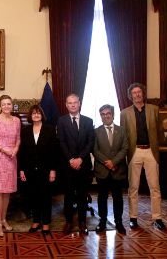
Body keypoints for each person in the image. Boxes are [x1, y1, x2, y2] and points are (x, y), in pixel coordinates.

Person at [120, 83, 166, 230]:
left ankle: (157, 218)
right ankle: (133, 218)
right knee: (133, 187)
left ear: (143, 94)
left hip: (151, 152)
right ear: (130, 96)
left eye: (139, 92)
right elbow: (124, 136)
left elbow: (159, 132)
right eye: (134, 93)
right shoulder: (124, 113)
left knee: (155, 187)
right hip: (134, 152)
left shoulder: (154, 109)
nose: (137, 95)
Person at [57, 93, 95, 235]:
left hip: (83, 164)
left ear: (79, 104)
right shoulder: (61, 121)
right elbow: (61, 142)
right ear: (66, 105)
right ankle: (68, 222)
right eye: (70, 103)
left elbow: (90, 142)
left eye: (75, 102)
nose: (73, 105)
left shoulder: (88, 121)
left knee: (82, 195)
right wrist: (71, 160)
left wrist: (80, 158)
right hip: (68, 165)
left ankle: (82, 222)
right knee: (68, 195)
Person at [19, 105, 57, 234]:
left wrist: (53, 170)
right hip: (30, 169)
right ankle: (36, 221)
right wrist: (22, 169)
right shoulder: (25, 131)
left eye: (38, 113)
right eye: (33, 113)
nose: (36, 115)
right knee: (33, 196)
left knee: (46, 197)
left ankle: (46, 223)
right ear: (30, 116)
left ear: (42, 115)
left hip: (46, 169)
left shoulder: (50, 129)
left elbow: (54, 152)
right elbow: (22, 152)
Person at [0, 95, 21, 237]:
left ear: (12, 105)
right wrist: (4, 149)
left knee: (7, 192)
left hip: (11, 158)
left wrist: (15, 149)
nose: (7, 106)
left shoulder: (17, 121)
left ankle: (4, 219)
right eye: (4, 104)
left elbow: (18, 139)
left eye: (9, 104)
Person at [93, 105, 128, 235]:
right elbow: (95, 150)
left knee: (118, 198)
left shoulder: (122, 130)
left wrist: (114, 162)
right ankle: (102, 221)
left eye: (108, 113)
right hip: (102, 171)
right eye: (103, 114)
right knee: (102, 198)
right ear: (100, 116)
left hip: (118, 170)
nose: (106, 116)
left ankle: (118, 222)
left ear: (113, 115)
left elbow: (125, 148)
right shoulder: (96, 131)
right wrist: (107, 163)